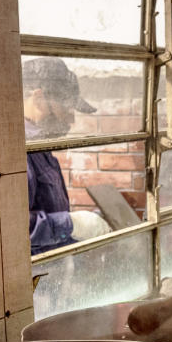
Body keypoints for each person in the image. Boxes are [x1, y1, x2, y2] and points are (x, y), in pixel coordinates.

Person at [23, 56, 111, 255]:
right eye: (67, 108)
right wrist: (72, 224)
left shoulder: (40, 145)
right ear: (38, 99)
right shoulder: (17, 151)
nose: (71, 118)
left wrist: (86, 223)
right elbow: (13, 229)